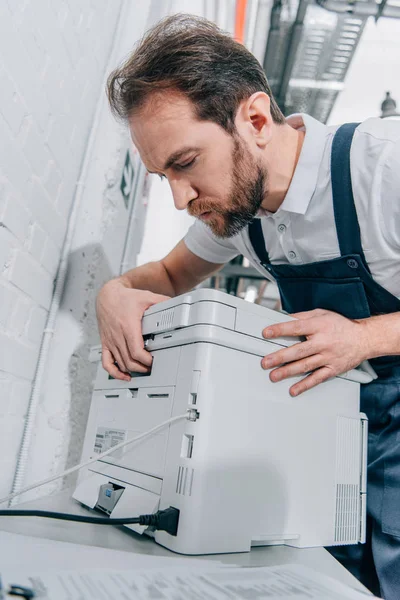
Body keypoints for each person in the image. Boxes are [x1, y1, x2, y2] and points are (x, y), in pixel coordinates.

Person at [96, 13, 400, 599]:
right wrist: (113, 293)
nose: (182, 198)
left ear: (255, 119)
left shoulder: (383, 168)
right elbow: (163, 275)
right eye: (163, 177)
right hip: (333, 434)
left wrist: (363, 338)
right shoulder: (242, 217)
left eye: (184, 164)